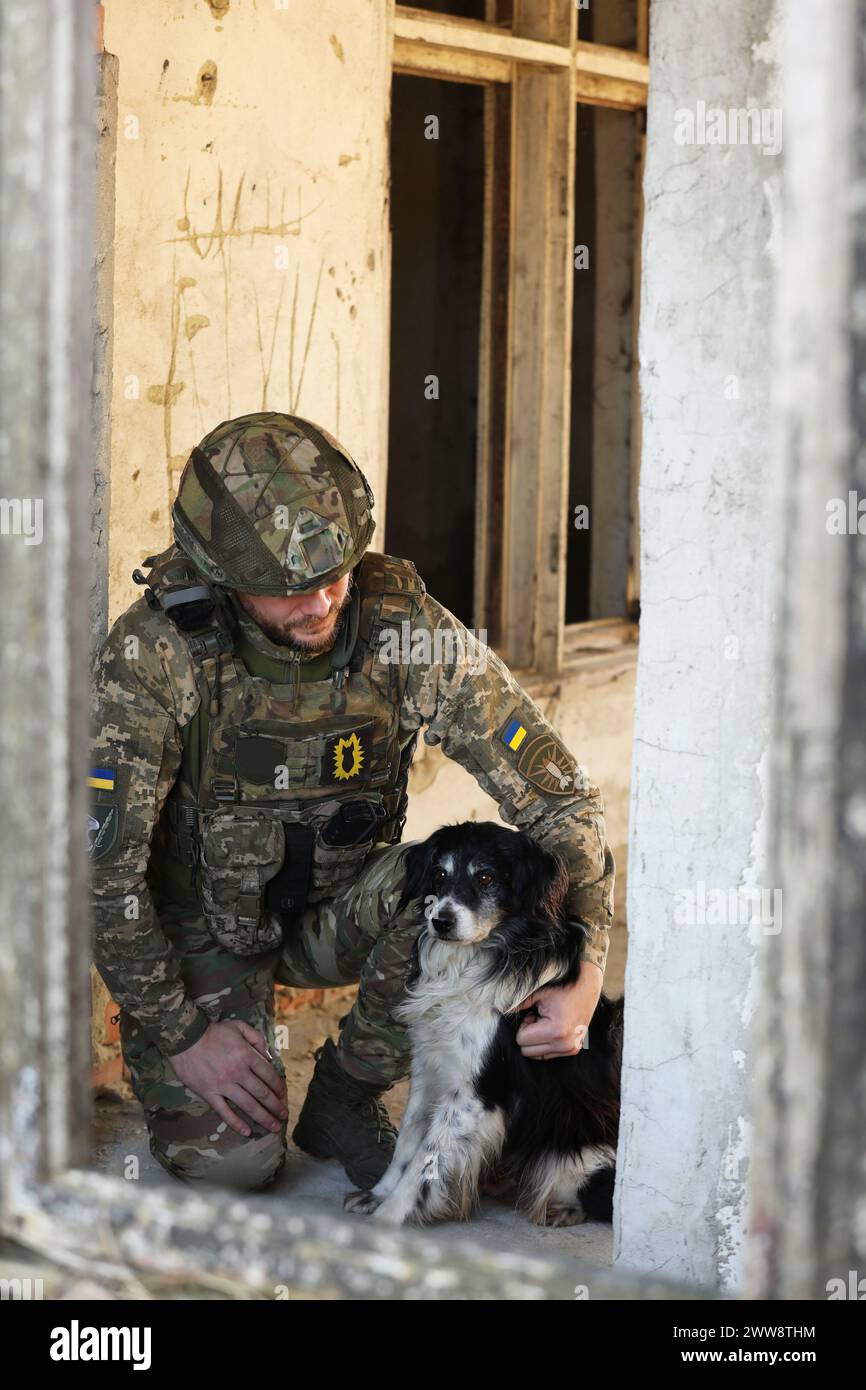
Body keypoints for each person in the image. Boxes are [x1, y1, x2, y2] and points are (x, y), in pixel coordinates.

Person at [89, 411, 615, 1193]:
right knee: (236, 1164)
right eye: (289, 589)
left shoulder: (398, 628)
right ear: (224, 577)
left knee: (446, 898)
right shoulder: (158, 656)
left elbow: (556, 795)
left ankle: (343, 1093)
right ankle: (224, 1048)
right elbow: (100, 875)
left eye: (335, 573)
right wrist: (186, 1033)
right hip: (202, 926)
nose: (323, 603)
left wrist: (588, 961)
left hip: (348, 907)